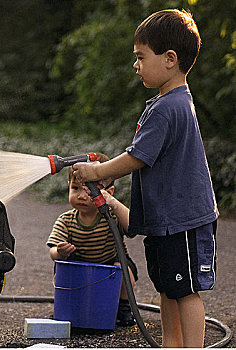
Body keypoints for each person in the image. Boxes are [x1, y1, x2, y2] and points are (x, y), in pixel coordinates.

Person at [72, 9, 218, 348]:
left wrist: (97, 172)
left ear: (170, 59)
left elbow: (137, 157)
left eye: (141, 57)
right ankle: (171, 344)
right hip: (168, 221)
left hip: (183, 220)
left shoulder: (169, 107)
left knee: (185, 290)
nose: (136, 65)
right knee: (168, 287)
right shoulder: (167, 103)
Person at [47, 153, 138, 327]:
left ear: (108, 192)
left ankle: (124, 307)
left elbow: (132, 228)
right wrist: (59, 251)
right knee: (63, 267)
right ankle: (66, 307)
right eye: (75, 189)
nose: (81, 196)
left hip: (109, 263)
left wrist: (112, 202)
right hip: (79, 265)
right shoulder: (66, 220)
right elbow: (52, 250)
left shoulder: (112, 216)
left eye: (87, 190)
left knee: (123, 269)